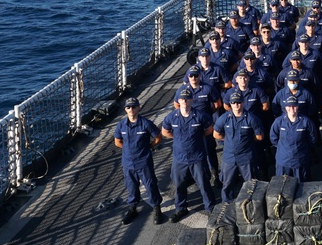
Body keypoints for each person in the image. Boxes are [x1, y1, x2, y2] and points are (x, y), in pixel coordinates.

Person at [161, 88, 217, 222]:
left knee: (203, 183)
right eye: (182, 99)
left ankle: (211, 207)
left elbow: (209, 129)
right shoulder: (172, 117)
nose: (185, 101)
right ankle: (180, 208)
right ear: (178, 101)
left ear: (192, 100)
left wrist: (197, 138)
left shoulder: (200, 116)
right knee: (178, 184)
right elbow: (165, 131)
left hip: (197, 156)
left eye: (187, 98)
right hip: (179, 158)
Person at [113, 97, 164, 225]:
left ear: (138, 108)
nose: (131, 109)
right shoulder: (121, 125)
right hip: (128, 163)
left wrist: (150, 147)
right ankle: (132, 208)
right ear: (125, 109)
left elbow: (158, 136)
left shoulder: (145, 123)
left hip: (143, 161)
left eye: (134, 107)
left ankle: (157, 208)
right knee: (131, 186)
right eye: (128, 107)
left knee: (150, 184)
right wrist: (129, 149)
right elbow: (117, 142)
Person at [213, 91, 264, 202]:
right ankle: (226, 205)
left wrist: (246, 142)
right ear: (230, 104)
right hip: (229, 157)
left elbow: (259, 136)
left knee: (251, 184)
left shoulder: (251, 118)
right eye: (234, 102)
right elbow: (216, 134)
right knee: (227, 184)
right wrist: (228, 141)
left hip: (246, 157)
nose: (236, 105)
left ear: (243, 102)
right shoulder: (224, 118)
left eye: (239, 102)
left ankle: (251, 205)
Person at [270, 96, 319, 181]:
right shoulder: (279, 121)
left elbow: (313, 138)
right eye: (289, 106)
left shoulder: (306, 121)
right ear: (285, 107)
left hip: (300, 161)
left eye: (294, 106)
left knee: (302, 186)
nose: (291, 108)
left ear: (298, 106)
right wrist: (283, 148)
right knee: (282, 186)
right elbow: (273, 137)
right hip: (283, 161)